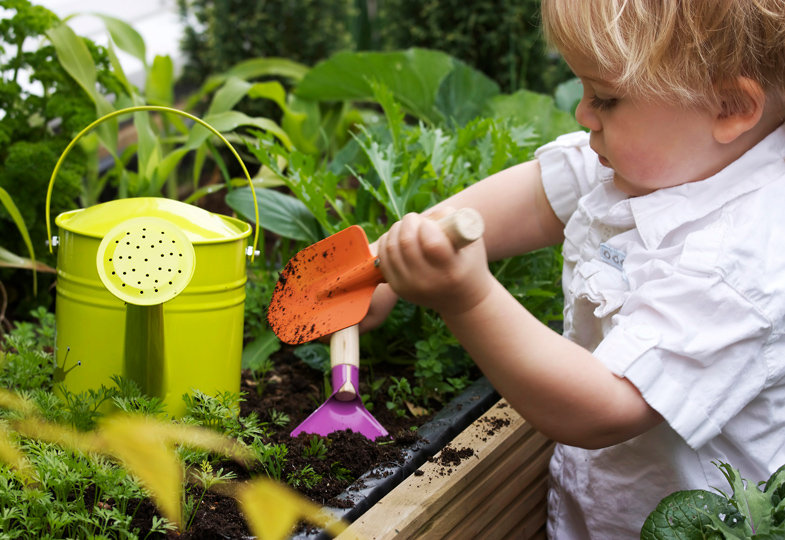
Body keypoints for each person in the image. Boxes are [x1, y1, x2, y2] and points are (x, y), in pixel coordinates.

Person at [359, 0, 785, 537]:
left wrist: (465, 298)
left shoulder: (743, 260)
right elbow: (538, 198)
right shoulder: (665, 156)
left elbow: (603, 408)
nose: (583, 115)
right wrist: (384, 260)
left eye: (606, 97)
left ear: (729, 106)